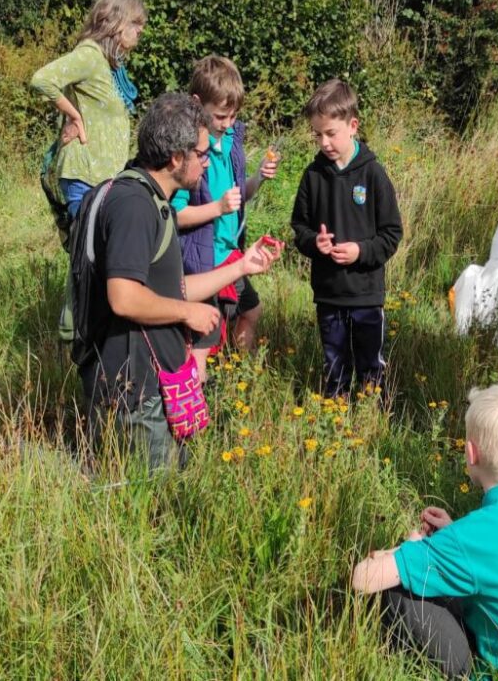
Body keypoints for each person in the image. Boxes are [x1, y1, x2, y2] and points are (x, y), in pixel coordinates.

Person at [72, 93, 281, 469]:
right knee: (150, 502)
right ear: (175, 158)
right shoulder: (134, 206)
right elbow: (124, 297)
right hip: (134, 391)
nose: (206, 162)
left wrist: (241, 268)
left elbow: (172, 290)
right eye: (201, 154)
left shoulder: (157, 200)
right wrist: (188, 313)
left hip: (161, 384)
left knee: (174, 488)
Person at [351, 382, 498, 679]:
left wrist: (409, 547)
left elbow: (361, 580)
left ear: (471, 454)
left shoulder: (474, 535)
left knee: (398, 593)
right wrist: (452, 532)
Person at [290, 79, 402, 398]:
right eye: (318, 134)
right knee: (335, 365)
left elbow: (392, 233)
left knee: (370, 365)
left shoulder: (373, 174)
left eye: (331, 133)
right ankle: (336, 421)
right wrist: (315, 243)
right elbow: (300, 228)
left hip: (366, 294)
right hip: (328, 294)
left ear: (352, 126)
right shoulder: (313, 176)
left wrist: (361, 251)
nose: (324, 142)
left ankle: (370, 418)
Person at [171, 56, 281, 376]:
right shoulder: (188, 150)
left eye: (234, 115)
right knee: (204, 339)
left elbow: (237, 197)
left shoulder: (232, 141)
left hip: (232, 255)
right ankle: (195, 406)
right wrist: (216, 208)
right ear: (196, 104)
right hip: (203, 260)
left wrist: (258, 178)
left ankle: (235, 380)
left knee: (251, 311)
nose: (228, 123)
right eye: (220, 115)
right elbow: (174, 215)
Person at [31, 0, 147, 218]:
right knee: (90, 252)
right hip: (84, 175)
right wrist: (74, 116)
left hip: (104, 179)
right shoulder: (90, 55)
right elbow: (41, 80)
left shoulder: (109, 64)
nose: (140, 29)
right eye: (135, 22)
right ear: (116, 22)